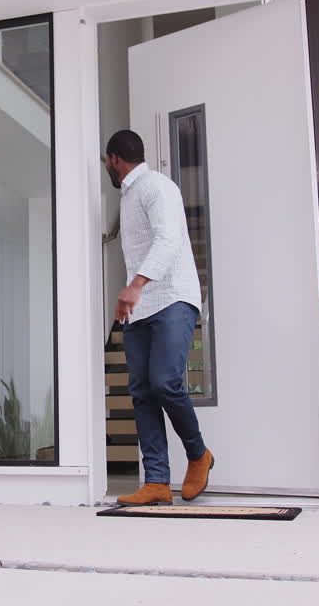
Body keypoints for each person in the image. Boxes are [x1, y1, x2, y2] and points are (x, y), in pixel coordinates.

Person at [104, 129, 214, 505]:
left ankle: (198, 455)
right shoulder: (128, 196)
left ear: (114, 159)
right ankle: (157, 482)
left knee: (165, 381)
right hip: (141, 309)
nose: (108, 167)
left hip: (172, 298)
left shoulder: (156, 186)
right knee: (142, 392)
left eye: (107, 162)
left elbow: (168, 240)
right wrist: (134, 295)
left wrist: (133, 286)